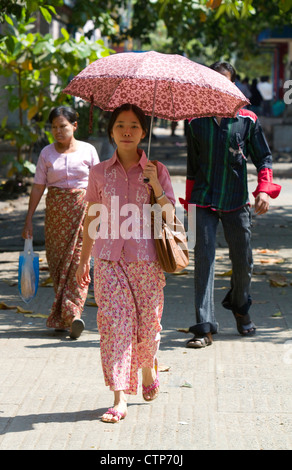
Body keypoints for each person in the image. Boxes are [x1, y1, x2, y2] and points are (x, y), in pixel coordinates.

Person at [76, 103, 175, 423]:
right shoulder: (99, 172)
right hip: (108, 260)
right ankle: (119, 398)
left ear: (144, 131)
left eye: (134, 125)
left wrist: (156, 186)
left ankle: (148, 368)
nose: (127, 131)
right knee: (116, 327)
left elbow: (171, 216)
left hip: (146, 261)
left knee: (147, 329)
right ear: (111, 131)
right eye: (120, 125)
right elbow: (92, 216)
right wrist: (83, 261)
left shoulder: (157, 170)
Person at [179, 61, 281, 348]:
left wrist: (264, 190)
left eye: (226, 82)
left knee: (243, 263)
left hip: (237, 201)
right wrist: (188, 207)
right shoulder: (195, 122)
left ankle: (239, 305)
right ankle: (204, 327)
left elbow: (264, 158)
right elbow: (191, 167)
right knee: (204, 260)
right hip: (203, 200)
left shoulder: (247, 120)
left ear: (233, 85)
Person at [22, 106, 100, 339]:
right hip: (55, 215)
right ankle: (65, 317)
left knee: (79, 262)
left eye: (62, 126)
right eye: (54, 127)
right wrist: (28, 219)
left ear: (74, 126)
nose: (58, 131)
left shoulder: (88, 150)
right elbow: (38, 186)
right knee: (57, 264)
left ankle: (73, 313)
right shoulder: (46, 153)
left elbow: (99, 183)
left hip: (83, 213)